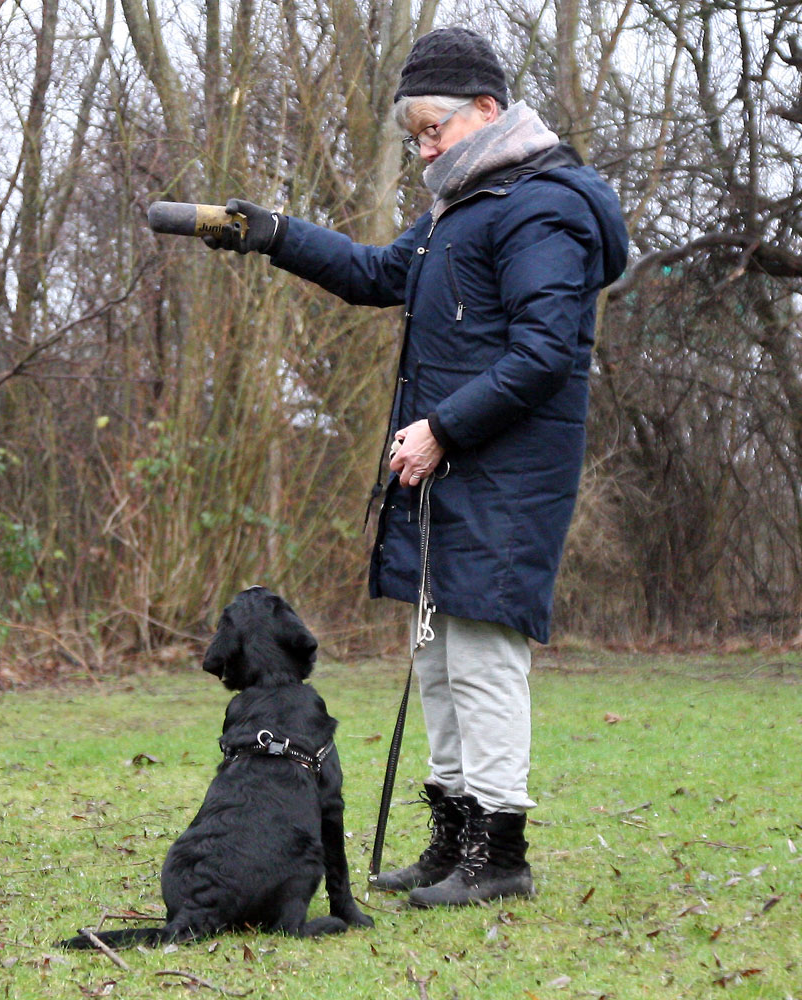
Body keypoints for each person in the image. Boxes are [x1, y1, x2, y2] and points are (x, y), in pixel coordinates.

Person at [202, 26, 628, 908]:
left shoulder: (542, 205)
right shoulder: (462, 206)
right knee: (438, 660)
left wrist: (441, 430)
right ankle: (449, 843)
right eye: (415, 137)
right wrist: (272, 233)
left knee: (483, 660)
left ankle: (499, 853)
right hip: (454, 474)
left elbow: (545, 351)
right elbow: (371, 272)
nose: (424, 149)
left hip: (505, 474)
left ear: (488, 108)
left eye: (434, 129)